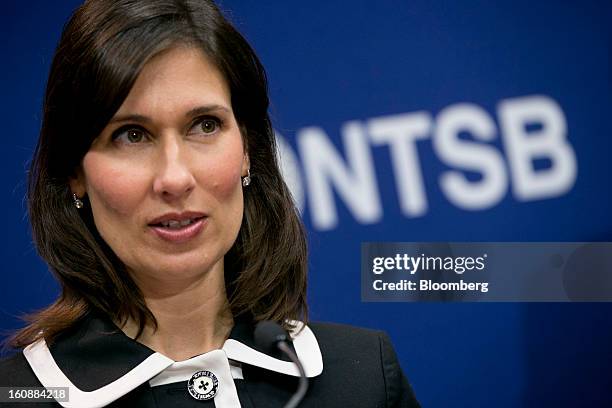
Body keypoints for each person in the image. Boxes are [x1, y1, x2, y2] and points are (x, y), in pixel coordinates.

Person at [0, 1, 420, 406]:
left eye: (204, 125)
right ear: (75, 173)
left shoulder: (363, 378)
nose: (175, 178)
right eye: (131, 134)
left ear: (247, 150)